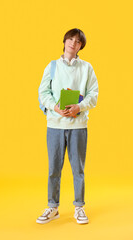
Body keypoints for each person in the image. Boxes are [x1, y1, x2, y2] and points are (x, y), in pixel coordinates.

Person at [37, 28, 99, 224]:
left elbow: (93, 95)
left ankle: (79, 207)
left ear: (81, 46)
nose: (73, 43)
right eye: (70, 39)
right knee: (54, 168)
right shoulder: (52, 66)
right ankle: (52, 207)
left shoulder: (87, 68)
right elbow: (43, 92)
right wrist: (55, 107)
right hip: (55, 124)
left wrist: (79, 107)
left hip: (78, 125)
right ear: (64, 41)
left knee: (78, 169)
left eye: (78, 41)